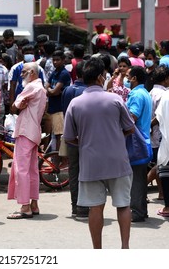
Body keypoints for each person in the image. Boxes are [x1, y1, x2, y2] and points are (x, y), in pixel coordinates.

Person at [64, 57, 135, 249]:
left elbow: (69, 137)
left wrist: (85, 141)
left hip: (90, 163)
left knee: (95, 207)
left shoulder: (75, 104)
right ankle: (125, 247)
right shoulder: (115, 99)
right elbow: (130, 128)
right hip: (117, 160)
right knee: (123, 205)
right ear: (99, 77)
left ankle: (97, 251)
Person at [6, 62, 47, 219]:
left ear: (32, 72)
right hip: (34, 131)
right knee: (32, 170)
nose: (21, 75)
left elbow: (15, 106)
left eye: (24, 72)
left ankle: (25, 207)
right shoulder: (41, 89)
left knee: (21, 170)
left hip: (25, 131)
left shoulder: (31, 87)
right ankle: (34, 204)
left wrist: (18, 105)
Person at [61, 60, 89, 218]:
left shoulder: (68, 90)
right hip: (87, 137)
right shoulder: (89, 91)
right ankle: (85, 206)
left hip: (71, 136)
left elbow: (65, 113)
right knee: (87, 172)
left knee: (74, 171)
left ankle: (75, 206)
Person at [126, 66, 152, 222]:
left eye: (129, 76)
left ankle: (136, 211)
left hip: (136, 142)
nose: (127, 79)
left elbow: (131, 117)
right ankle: (141, 210)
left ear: (134, 78)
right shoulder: (145, 93)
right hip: (144, 140)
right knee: (140, 178)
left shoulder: (136, 94)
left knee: (135, 179)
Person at [147, 65, 169, 201]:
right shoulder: (164, 94)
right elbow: (160, 115)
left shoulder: (151, 92)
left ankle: (162, 192)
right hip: (160, 134)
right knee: (160, 164)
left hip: (152, 135)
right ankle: (140, 188)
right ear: (166, 79)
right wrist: (150, 125)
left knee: (158, 163)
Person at [155, 86, 169, 217]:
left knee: (166, 173)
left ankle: (168, 207)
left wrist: (148, 127)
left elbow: (159, 116)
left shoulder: (168, 95)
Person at [45, 50, 71, 152]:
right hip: (52, 107)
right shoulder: (54, 72)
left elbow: (54, 91)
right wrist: (51, 90)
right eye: (54, 60)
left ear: (63, 60)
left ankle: (59, 158)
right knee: (52, 134)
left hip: (59, 108)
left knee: (59, 135)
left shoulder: (64, 74)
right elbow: (46, 88)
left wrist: (51, 90)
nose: (55, 62)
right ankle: (52, 155)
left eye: (58, 60)